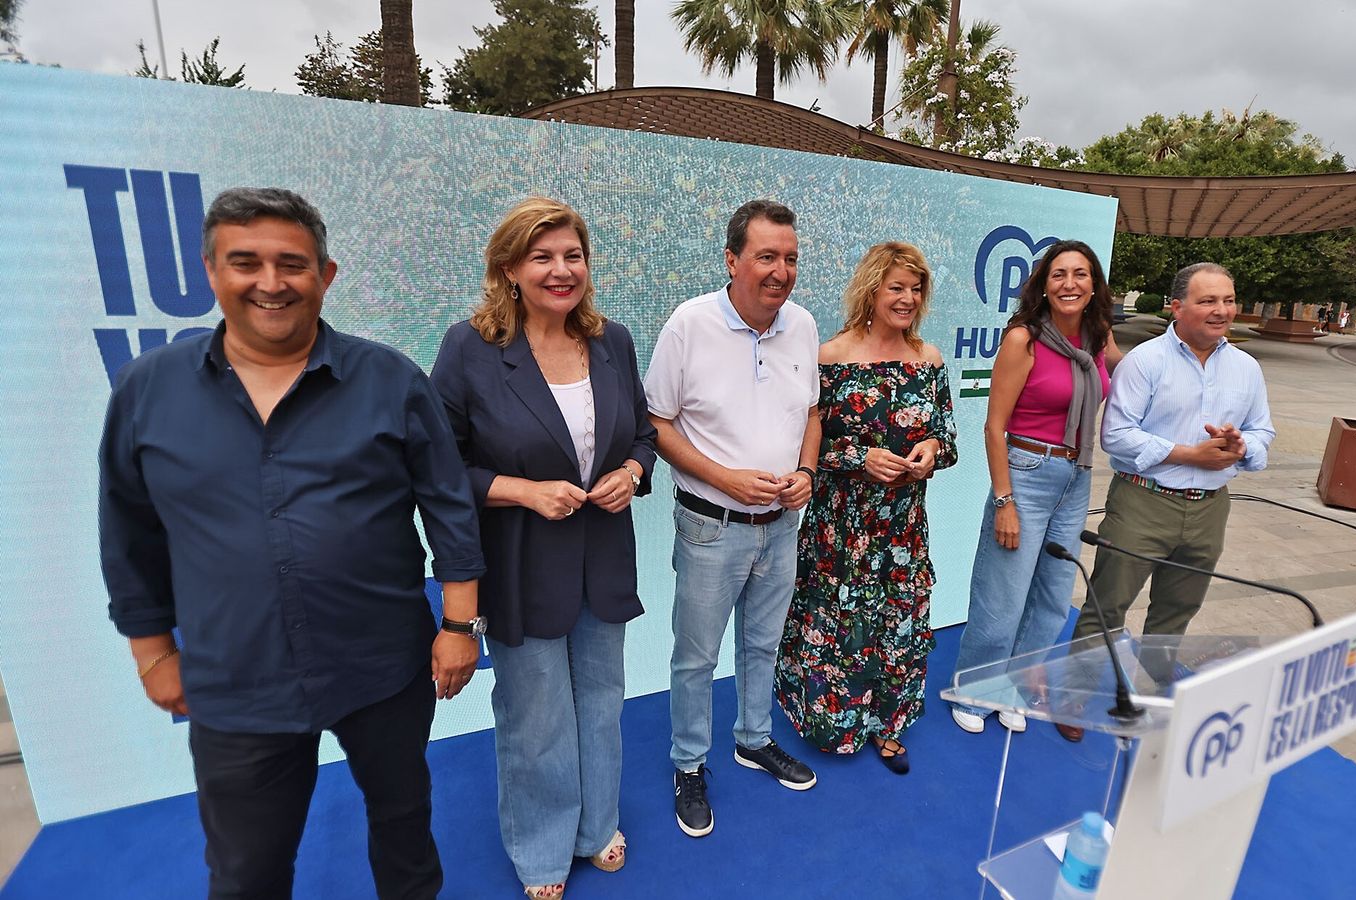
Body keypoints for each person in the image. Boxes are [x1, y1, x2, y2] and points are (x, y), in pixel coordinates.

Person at [99, 187, 485, 899]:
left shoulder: (389, 379)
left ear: (325, 275)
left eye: (292, 263)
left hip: (383, 666)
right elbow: (128, 530)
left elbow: (449, 506)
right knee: (247, 871)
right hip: (235, 679)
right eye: (245, 262)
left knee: (404, 830)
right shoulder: (147, 391)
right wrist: (152, 653)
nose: (270, 283)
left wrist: (460, 624)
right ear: (211, 271)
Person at [431, 197, 656, 900]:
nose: (562, 270)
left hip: (605, 561)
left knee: (601, 700)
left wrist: (633, 473)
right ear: (509, 269)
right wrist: (521, 491)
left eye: (573, 255)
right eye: (542, 257)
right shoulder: (469, 348)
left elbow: (643, 434)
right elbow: (440, 469)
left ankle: (597, 827)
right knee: (535, 715)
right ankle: (541, 848)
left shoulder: (613, 341)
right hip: (522, 564)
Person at [645, 199, 821, 838]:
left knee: (763, 643)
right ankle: (689, 763)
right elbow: (655, 423)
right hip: (710, 526)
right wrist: (725, 479)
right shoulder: (689, 325)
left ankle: (753, 738)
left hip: (782, 526)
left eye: (791, 258)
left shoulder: (801, 325)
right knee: (696, 656)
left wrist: (805, 472)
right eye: (767, 256)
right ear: (732, 259)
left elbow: (811, 411)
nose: (781, 271)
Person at [1069, 262, 1274, 737]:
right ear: (1177, 307)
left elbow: (1263, 429)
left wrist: (1244, 448)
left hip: (1210, 510)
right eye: (1207, 301)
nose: (1221, 311)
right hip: (1143, 502)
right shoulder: (1145, 361)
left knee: (1176, 613)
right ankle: (1074, 699)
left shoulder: (1247, 368)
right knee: (1108, 606)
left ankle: (1145, 698)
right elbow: (1115, 436)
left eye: (1228, 299)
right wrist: (1189, 454)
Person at [775, 242, 957, 775]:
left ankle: (888, 725)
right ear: (871, 289)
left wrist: (930, 453)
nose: (906, 298)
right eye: (895, 287)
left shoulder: (930, 359)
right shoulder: (830, 356)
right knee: (836, 623)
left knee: (898, 623)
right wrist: (859, 458)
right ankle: (833, 720)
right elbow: (805, 446)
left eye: (915, 288)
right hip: (841, 528)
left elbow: (947, 437)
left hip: (902, 530)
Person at [949, 240, 1116, 736]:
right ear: (1044, 285)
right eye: (1059, 274)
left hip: (1076, 477)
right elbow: (992, 426)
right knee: (1003, 597)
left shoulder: (1097, 338)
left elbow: (1139, 375)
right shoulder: (1025, 339)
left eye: (1080, 274)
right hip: (1025, 472)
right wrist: (1005, 500)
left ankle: (1016, 688)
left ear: (1094, 285)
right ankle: (975, 690)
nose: (1070, 284)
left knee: (1051, 597)